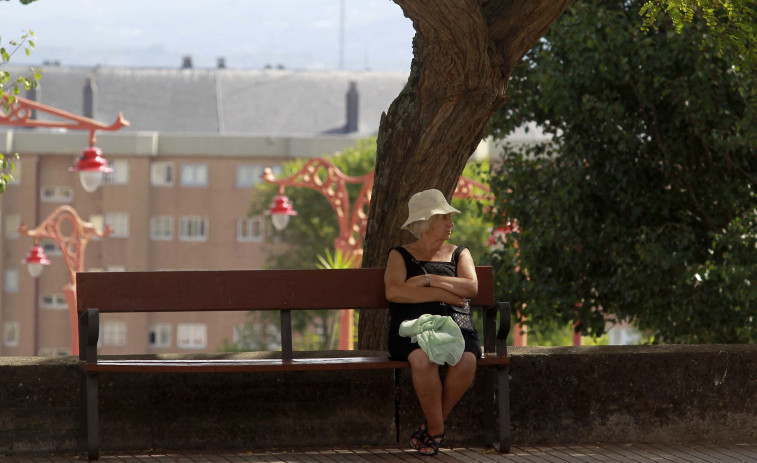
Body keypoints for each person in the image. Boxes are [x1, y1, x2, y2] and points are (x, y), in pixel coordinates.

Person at [384, 189, 482, 456]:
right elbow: (395, 292)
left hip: (456, 324)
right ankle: (437, 429)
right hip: (412, 327)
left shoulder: (459, 253)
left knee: (468, 360)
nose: (451, 223)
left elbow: (471, 287)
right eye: (445, 218)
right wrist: (443, 293)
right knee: (423, 359)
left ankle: (430, 425)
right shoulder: (399, 255)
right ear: (427, 222)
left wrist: (429, 280)